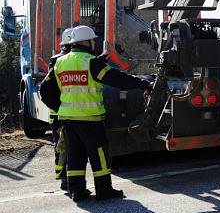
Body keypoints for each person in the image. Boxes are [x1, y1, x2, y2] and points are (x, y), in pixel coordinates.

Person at [53, 25, 151, 202]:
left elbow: (55, 88)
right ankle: (104, 190)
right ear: (86, 41)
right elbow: (117, 79)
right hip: (90, 118)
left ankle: (77, 191)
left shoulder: (61, 62)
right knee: (99, 154)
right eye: (92, 40)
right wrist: (142, 83)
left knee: (75, 154)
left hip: (68, 117)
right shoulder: (91, 62)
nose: (93, 43)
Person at [39, 27, 74, 191]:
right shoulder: (63, 61)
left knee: (61, 147)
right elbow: (46, 90)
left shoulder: (57, 60)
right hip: (64, 114)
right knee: (66, 148)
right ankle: (65, 179)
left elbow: (45, 91)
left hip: (58, 114)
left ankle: (64, 178)